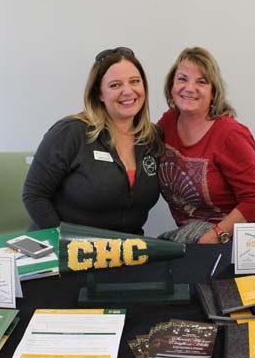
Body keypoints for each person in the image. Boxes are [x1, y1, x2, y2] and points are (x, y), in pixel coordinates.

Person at [157, 47, 255, 244]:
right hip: (199, 233)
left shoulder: (231, 134)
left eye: (201, 81)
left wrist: (212, 238)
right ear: (171, 86)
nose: (190, 88)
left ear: (214, 92)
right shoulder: (167, 124)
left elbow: (254, 201)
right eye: (182, 79)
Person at [22, 47, 162, 235]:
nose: (127, 91)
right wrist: (64, 242)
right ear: (100, 94)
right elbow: (34, 194)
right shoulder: (71, 132)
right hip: (65, 250)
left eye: (134, 81)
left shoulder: (153, 138)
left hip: (126, 253)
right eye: (115, 85)